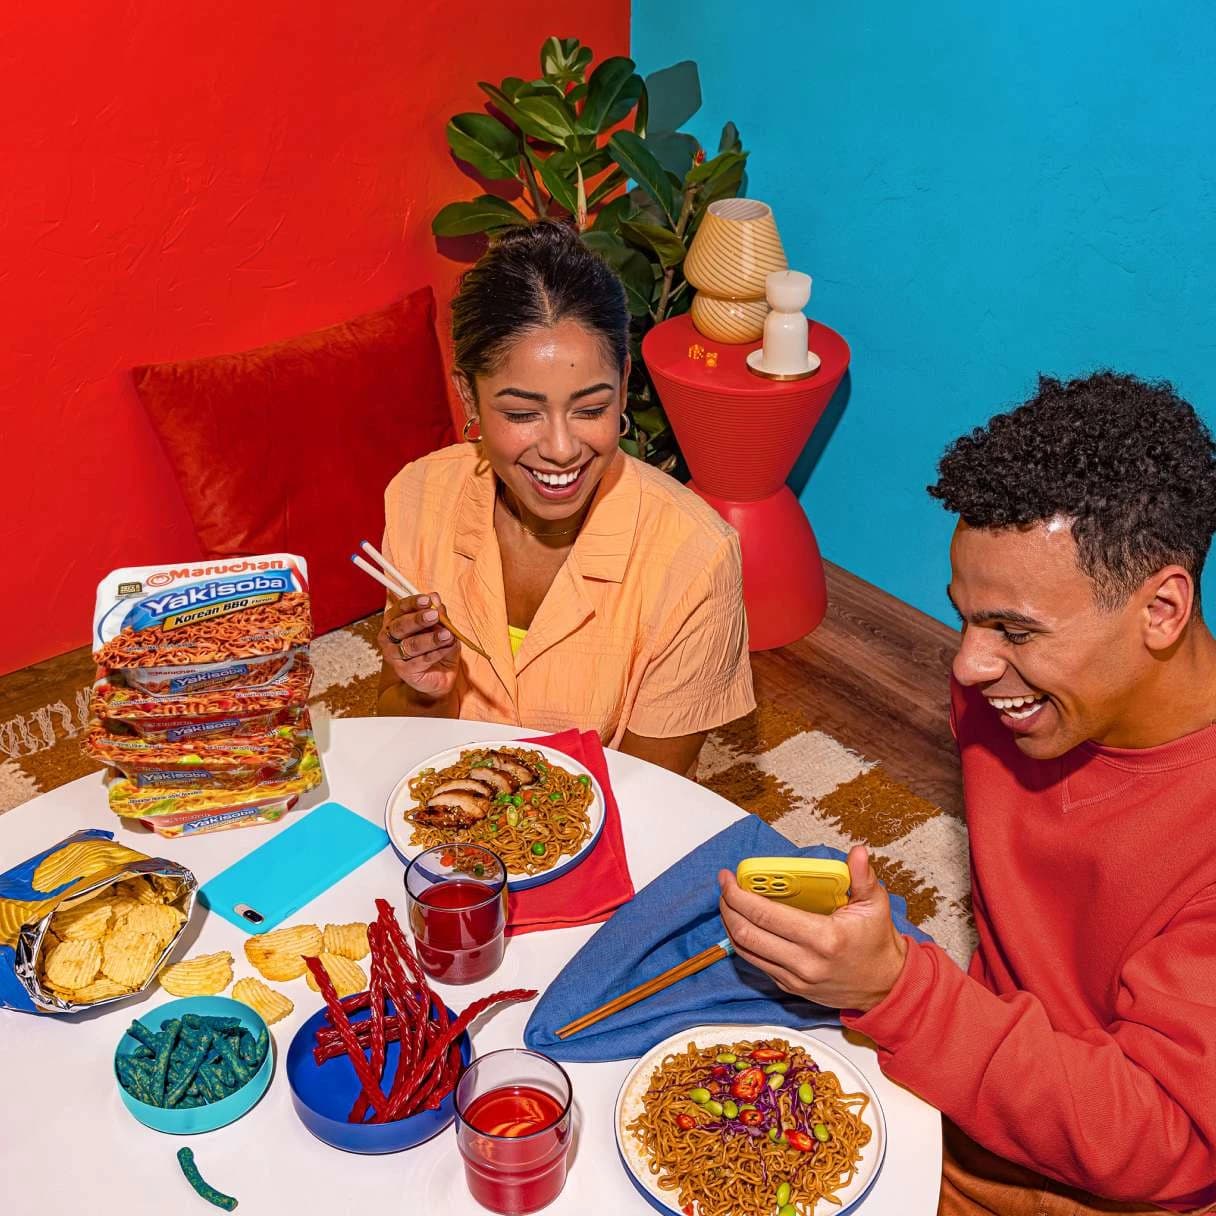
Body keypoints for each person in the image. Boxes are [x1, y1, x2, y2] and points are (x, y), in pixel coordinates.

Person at [717, 372, 1216, 1211]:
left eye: (1015, 631)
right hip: (985, 1078)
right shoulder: (1010, 699)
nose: (968, 666)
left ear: (1163, 608)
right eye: (966, 618)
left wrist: (898, 992)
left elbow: (1168, 1146)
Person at [377, 221, 754, 775]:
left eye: (591, 408)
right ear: (468, 395)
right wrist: (425, 693)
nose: (560, 449)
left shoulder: (694, 559)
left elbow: (651, 796)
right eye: (522, 413)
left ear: (624, 384)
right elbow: (395, 722)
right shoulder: (419, 497)